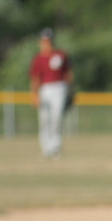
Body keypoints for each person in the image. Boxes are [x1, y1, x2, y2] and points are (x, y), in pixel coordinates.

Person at [29, 28, 74, 159]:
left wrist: (71, 92)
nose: (47, 43)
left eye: (49, 40)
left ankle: (55, 147)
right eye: (44, 41)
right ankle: (46, 147)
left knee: (57, 117)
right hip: (45, 89)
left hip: (60, 88)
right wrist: (34, 95)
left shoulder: (61, 55)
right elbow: (35, 79)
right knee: (45, 119)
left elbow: (68, 74)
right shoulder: (38, 58)